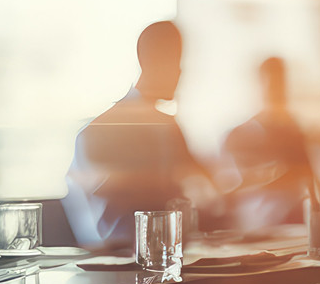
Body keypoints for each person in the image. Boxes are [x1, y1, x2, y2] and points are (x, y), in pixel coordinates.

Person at [62, 21, 211, 249]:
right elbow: (100, 198)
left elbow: (202, 176)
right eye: (175, 61)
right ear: (150, 61)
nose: (181, 72)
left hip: (171, 250)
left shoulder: (168, 126)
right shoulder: (99, 132)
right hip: (119, 257)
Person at [222, 57, 314, 229]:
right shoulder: (238, 135)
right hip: (255, 217)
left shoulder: (296, 133)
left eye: (279, 81)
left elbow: (308, 177)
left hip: (290, 217)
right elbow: (230, 186)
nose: (275, 88)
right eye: (270, 81)